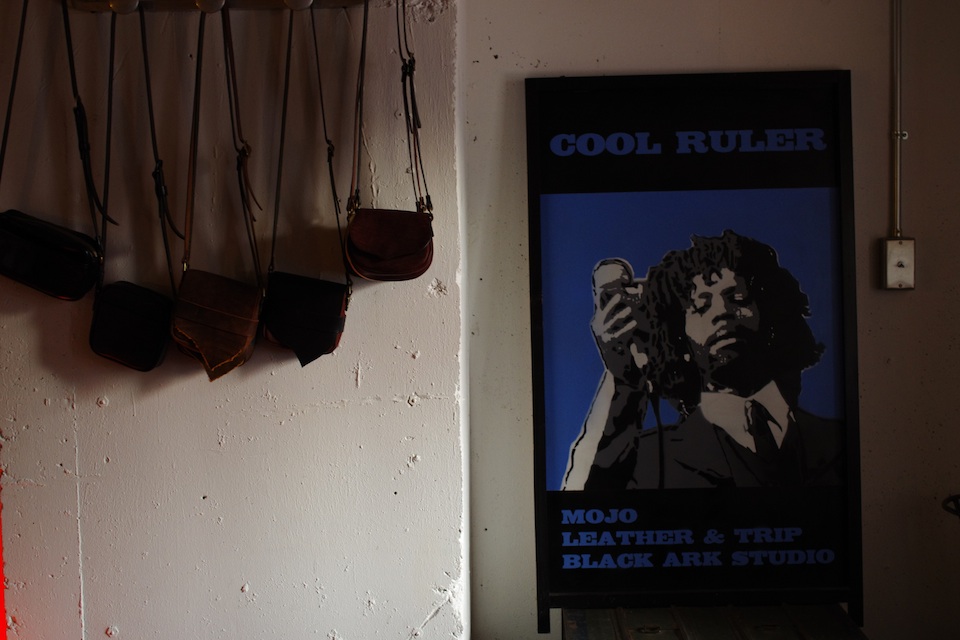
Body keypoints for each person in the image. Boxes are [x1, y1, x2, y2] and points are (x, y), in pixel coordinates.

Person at [562, 230, 844, 490]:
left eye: (738, 297)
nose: (721, 312)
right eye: (701, 305)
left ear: (773, 319)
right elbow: (581, 507)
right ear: (679, 338)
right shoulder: (647, 459)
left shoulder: (840, 442)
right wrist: (625, 379)